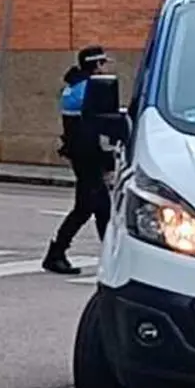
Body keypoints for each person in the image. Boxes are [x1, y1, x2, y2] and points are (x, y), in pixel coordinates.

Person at [42, 45, 121, 276]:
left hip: (79, 153)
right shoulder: (94, 88)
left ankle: (111, 256)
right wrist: (109, 161)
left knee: (99, 207)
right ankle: (56, 254)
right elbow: (103, 126)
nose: (104, 68)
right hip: (90, 155)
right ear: (95, 65)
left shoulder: (72, 87)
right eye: (102, 64)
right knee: (87, 207)